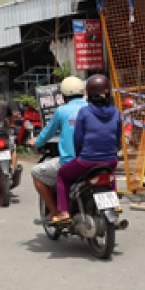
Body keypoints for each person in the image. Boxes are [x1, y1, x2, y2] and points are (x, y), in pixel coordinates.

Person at [51, 75, 121, 224]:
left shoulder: (84, 112)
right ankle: (114, 205)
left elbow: (78, 139)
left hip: (87, 160)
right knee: (110, 172)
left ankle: (63, 212)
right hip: (111, 159)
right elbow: (118, 136)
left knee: (62, 175)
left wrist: (80, 156)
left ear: (88, 94)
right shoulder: (115, 112)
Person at [31, 77, 86, 221]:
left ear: (63, 95)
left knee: (36, 172)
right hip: (95, 158)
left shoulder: (62, 111)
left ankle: (57, 211)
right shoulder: (91, 109)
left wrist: (36, 142)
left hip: (71, 161)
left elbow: (47, 133)